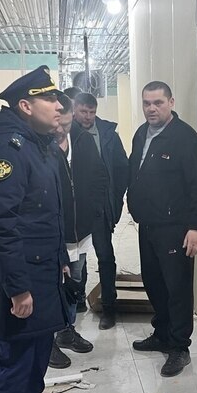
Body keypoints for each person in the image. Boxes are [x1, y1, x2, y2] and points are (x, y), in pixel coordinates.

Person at [0, 66, 71, 393]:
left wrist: (61, 259)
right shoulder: (8, 150)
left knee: (37, 354)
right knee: (13, 364)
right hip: (21, 279)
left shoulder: (38, 144)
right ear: (25, 106)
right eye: (49, 98)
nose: (58, 105)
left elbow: (45, 213)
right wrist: (17, 288)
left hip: (43, 271)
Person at [127, 81, 197, 377]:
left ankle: (179, 347)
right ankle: (162, 333)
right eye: (147, 103)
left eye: (158, 103)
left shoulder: (184, 138)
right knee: (154, 283)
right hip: (148, 225)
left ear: (171, 102)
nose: (151, 108)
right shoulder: (141, 134)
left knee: (177, 289)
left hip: (176, 228)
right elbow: (135, 172)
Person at [48, 94, 108, 369]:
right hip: (52, 233)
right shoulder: (40, 146)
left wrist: (94, 211)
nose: (60, 126)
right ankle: (47, 339)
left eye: (65, 120)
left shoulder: (83, 141)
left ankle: (66, 329)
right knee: (51, 285)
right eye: (56, 120)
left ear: (72, 116)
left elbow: (100, 176)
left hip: (80, 231)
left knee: (74, 281)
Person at [73, 91, 129, 329]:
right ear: (74, 110)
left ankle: (109, 308)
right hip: (76, 210)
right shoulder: (66, 133)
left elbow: (122, 169)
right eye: (83, 112)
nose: (88, 117)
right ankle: (77, 299)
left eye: (92, 112)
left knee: (105, 257)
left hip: (102, 208)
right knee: (76, 258)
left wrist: (115, 202)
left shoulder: (108, 135)